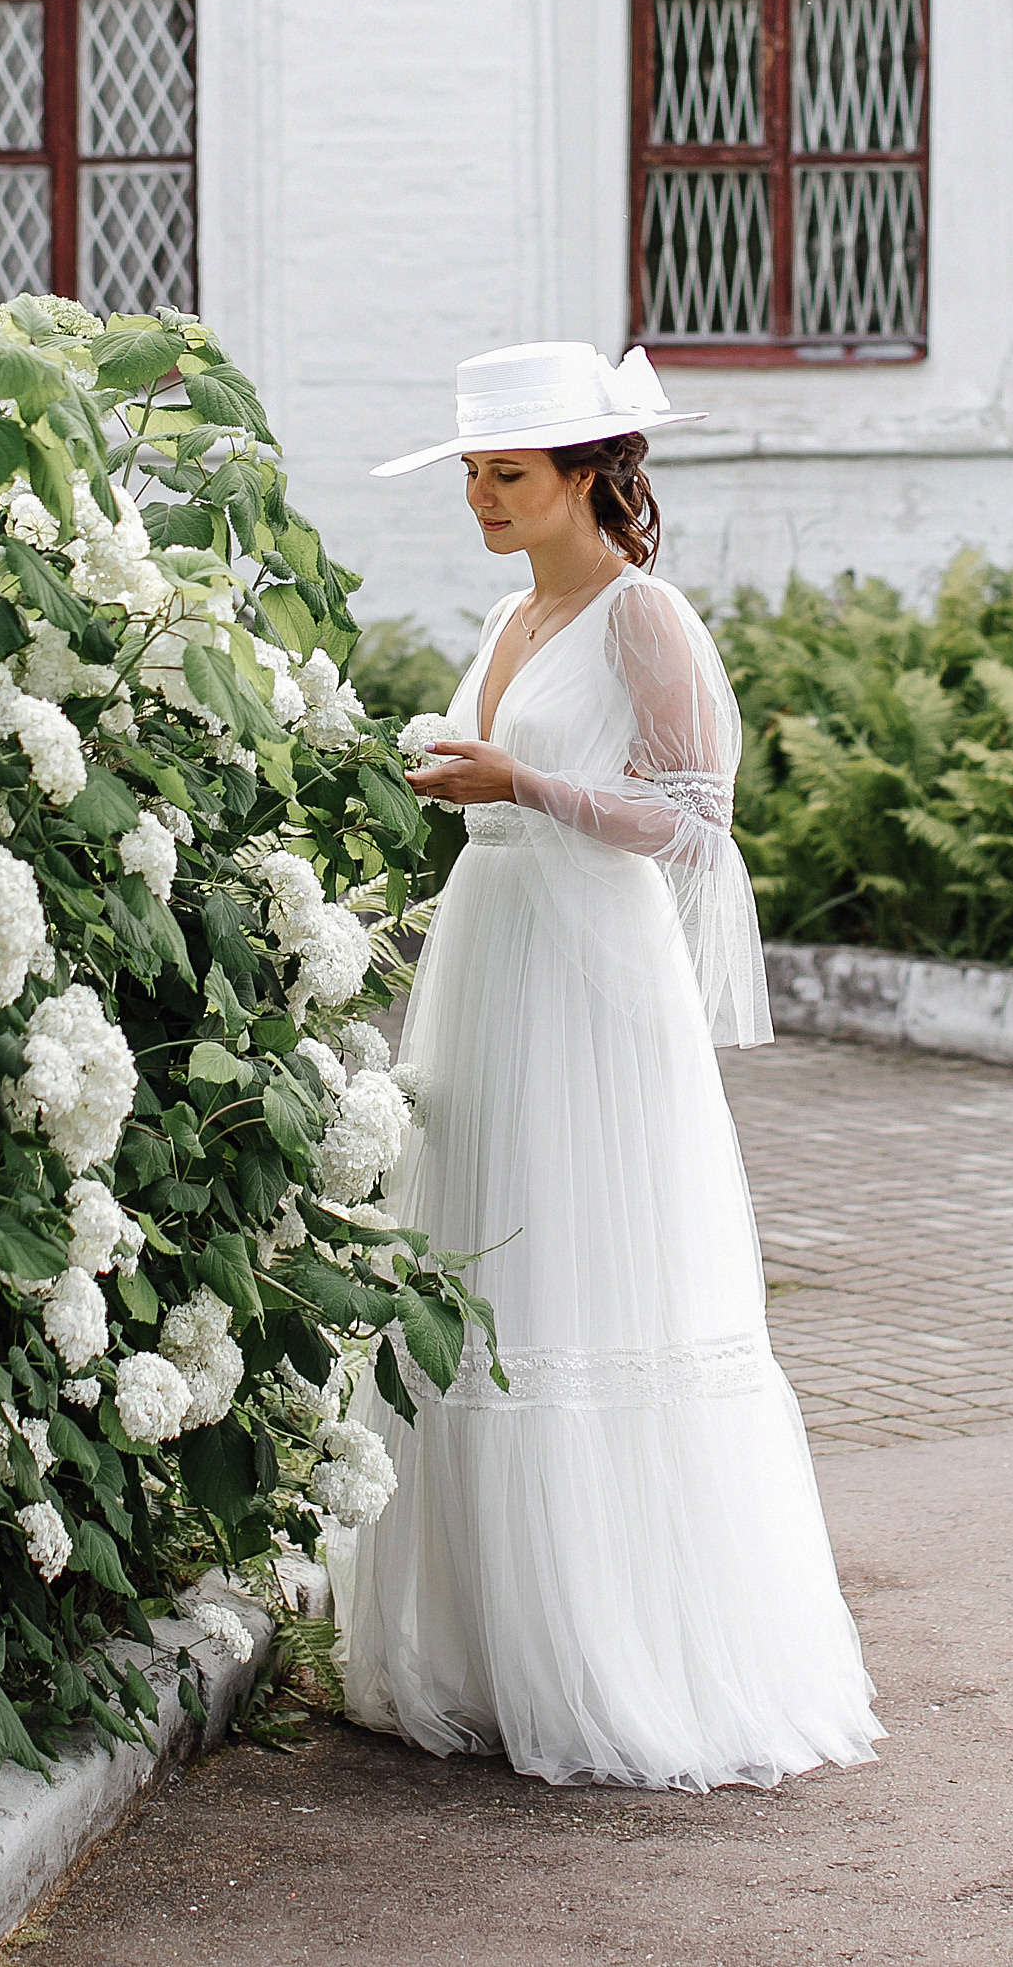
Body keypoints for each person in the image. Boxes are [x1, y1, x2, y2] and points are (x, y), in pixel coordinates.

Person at [325, 339, 883, 1793]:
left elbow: (699, 822)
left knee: (578, 1267)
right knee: (478, 1258)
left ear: (588, 475)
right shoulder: (510, 619)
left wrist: (526, 783)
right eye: (470, 475)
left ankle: (615, 1655)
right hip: (488, 950)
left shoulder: (645, 617)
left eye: (507, 474)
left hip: (591, 977)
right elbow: (508, 784)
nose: (482, 499)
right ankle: (484, 1652)